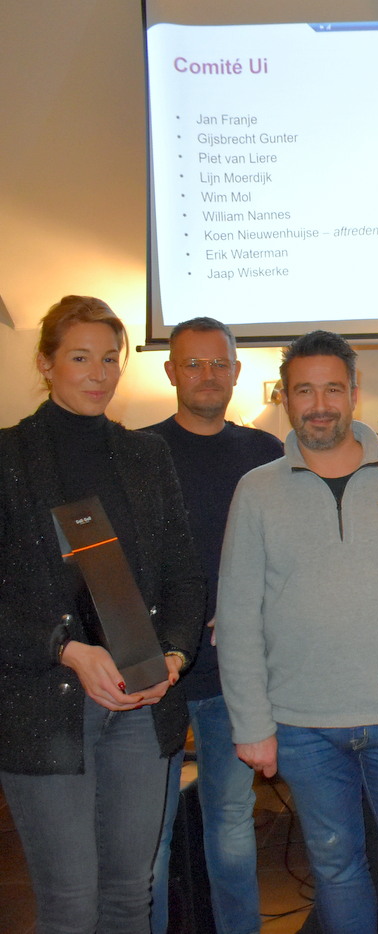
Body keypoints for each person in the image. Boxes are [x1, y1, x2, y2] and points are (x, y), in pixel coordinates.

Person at [216, 330, 378, 934]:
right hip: (303, 725)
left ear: (354, 394)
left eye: (333, 389)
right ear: (285, 398)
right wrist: (252, 724)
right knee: (336, 870)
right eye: (304, 391)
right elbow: (237, 614)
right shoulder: (256, 491)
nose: (320, 405)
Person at [0, 295, 204, 933]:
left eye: (110, 359)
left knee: (130, 894)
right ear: (46, 363)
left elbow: (184, 575)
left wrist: (174, 654)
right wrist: (66, 649)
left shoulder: (147, 456)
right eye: (81, 358)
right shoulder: (8, 458)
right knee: (71, 903)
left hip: (144, 701)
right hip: (47, 705)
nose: (99, 374)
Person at [148, 317, 283, 934]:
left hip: (236, 676)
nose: (208, 375)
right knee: (152, 836)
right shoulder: (139, 453)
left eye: (219, 363)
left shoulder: (265, 452)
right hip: (158, 675)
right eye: (193, 364)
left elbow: (286, 555)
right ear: (170, 371)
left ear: (236, 371)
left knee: (230, 823)